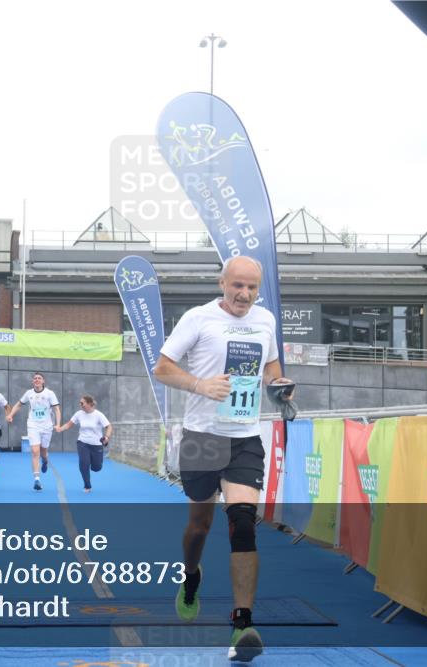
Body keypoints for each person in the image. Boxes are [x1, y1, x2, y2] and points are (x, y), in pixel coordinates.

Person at [153, 256, 293, 663]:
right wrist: (199, 384)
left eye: (251, 288)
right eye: (237, 286)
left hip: (244, 438)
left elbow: (270, 366)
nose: (244, 295)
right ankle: (191, 578)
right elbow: (162, 368)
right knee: (199, 526)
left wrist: (279, 387)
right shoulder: (198, 319)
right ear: (222, 282)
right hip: (202, 438)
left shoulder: (265, 321)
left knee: (243, 521)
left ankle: (242, 624)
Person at [6, 372, 60, 491]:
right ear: (32, 381)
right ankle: (37, 480)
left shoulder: (50, 393)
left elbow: (56, 409)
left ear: (43, 381)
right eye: (35, 378)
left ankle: (45, 461)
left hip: (47, 426)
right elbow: (19, 405)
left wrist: (58, 424)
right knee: (35, 452)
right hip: (33, 425)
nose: (37, 380)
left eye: (39, 378)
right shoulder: (28, 393)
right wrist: (10, 414)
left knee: (43, 452)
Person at [55, 394, 112, 493]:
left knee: (97, 468)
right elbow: (69, 424)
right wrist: (60, 429)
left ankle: (95, 465)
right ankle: (87, 486)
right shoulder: (79, 414)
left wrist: (106, 437)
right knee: (84, 464)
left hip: (96, 444)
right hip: (83, 443)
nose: (80, 405)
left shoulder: (98, 415)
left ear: (90, 404)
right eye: (80, 403)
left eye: (82, 403)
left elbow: (109, 426)